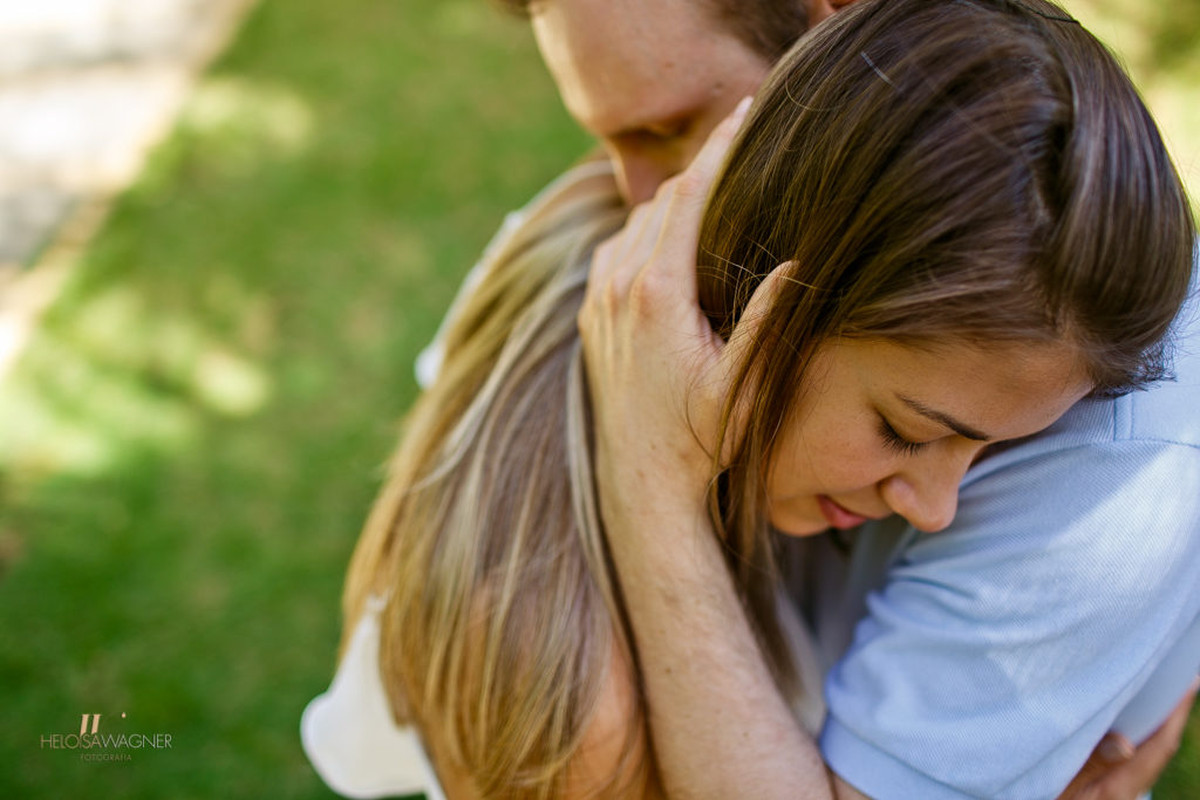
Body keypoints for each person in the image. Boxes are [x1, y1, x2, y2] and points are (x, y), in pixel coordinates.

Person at [301, 0, 1199, 797]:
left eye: (673, 126)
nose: (637, 205)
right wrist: (649, 473)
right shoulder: (579, 698)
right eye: (902, 431)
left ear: (831, 41)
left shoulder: (1106, 458)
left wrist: (649, 475)